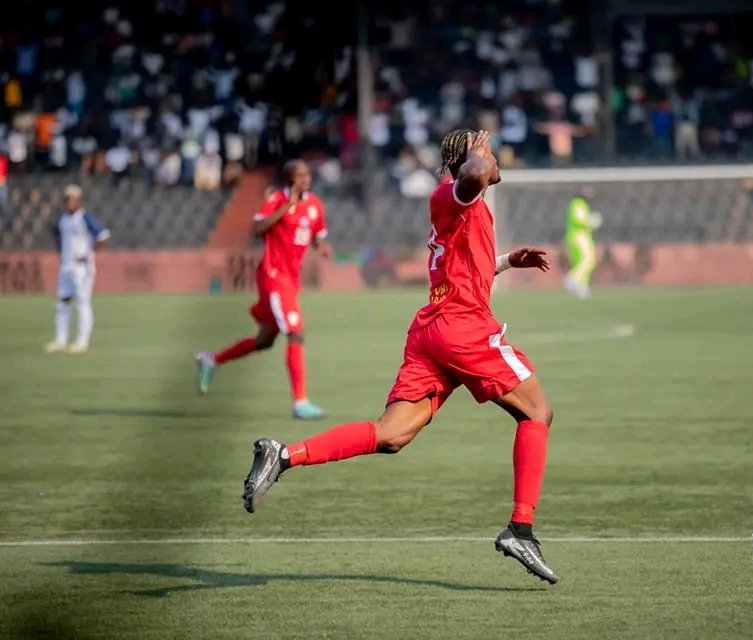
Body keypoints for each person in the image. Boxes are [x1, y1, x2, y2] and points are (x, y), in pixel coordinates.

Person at [241, 130, 560, 584]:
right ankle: (521, 528)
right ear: (467, 161)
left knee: (392, 434)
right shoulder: (456, 191)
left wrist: (508, 261)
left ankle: (284, 455)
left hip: (433, 332)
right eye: (487, 151)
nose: (494, 158)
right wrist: (478, 158)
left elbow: (464, 266)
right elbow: (473, 174)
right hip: (462, 327)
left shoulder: (463, 205)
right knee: (537, 412)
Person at [196, 160, 331, 420]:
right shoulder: (276, 199)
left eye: (307, 174)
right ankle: (300, 403)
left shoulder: (315, 205)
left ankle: (211, 360)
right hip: (273, 276)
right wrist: (286, 207)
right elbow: (257, 228)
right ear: (289, 179)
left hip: (291, 280)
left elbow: (316, 234)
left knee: (264, 341)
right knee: (296, 332)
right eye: (300, 175)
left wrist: (321, 246)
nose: (306, 179)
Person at [45, 185, 110, 354]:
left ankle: (82, 341)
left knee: (82, 302)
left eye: (71, 199)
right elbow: (60, 239)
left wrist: (92, 254)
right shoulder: (64, 219)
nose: (68, 203)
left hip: (81, 267)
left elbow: (103, 235)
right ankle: (61, 339)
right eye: (66, 199)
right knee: (62, 302)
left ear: (78, 200)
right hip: (66, 266)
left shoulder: (84, 217)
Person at [563, 188, 603, 299]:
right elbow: (578, 220)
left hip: (581, 237)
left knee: (583, 261)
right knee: (587, 260)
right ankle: (572, 279)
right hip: (579, 237)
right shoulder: (578, 203)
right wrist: (591, 221)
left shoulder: (580, 204)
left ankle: (581, 286)